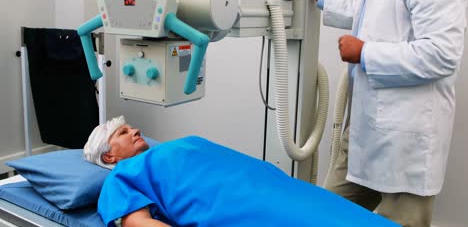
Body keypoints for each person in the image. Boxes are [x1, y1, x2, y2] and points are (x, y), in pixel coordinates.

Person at [303, 0, 466, 226]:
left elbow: (442, 53)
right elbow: (370, 14)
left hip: (406, 143)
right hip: (365, 129)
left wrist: (365, 53)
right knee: (325, 214)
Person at [84, 116, 399, 227]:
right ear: (109, 155)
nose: (135, 129)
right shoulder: (119, 179)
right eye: (123, 132)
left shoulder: (167, 149)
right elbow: (139, 223)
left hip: (267, 185)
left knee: (334, 212)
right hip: (236, 205)